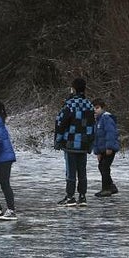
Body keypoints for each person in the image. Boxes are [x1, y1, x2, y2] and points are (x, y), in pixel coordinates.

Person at [54, 77, 95, 206]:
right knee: (82, 170)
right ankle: (82, 196)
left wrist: (58, 140)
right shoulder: (89, 105)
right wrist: (90, 143)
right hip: (84, 143)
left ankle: (70, 196)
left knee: (70, 170)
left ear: (73, 89)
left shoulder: (70, 104)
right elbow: (91, 126)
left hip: (70, 142)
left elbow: (61, 123)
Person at [92, 99, 120, 197]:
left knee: (104, 167)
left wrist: (109, 147)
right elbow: (96, 137)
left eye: (97, 108)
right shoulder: (97, 120)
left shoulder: (106, 118)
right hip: (102, 149)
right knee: (102, 166)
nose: (95, 110)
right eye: (94, 108)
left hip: (109, 149)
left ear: (102, 108)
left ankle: (106, 189)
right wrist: (97, 152)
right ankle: (111, 186)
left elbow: (111, 133)